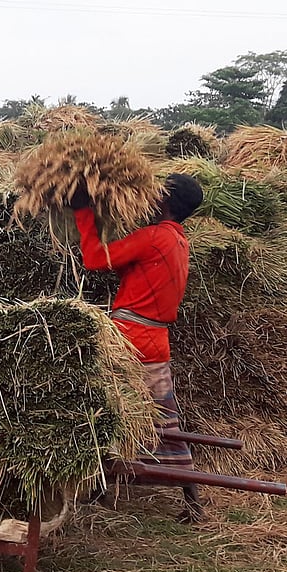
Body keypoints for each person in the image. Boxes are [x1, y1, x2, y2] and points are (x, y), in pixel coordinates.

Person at [71, 173, 206, 521]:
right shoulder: (178, 242)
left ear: (164, 201)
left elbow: (95, 260)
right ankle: (190, 496)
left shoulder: (154, 238)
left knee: (105, 408)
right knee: (164, 417)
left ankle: (96, 487)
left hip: (130, 340)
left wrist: (83, 212)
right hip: (155, 341)